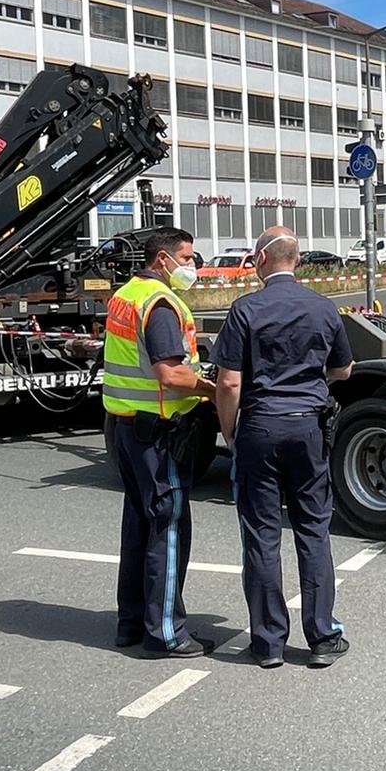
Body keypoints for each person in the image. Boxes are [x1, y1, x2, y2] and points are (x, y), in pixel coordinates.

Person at [212, 227, 354, 670]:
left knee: (262, 535)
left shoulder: (244, 309)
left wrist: (231, 432)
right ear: (298, 261)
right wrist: (309, 382)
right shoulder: (323, 307)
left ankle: (269, 642)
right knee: (313, 530)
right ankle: (323, 637)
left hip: (259, 426)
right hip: (307, 427)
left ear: (259, 259)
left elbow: (229, 382)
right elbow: (344, 369)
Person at [103, 227, 217, 658]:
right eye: (187, 258)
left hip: (126, 427)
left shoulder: (126, 293)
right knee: (167, 528)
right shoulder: (161, 304)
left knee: (138, 526)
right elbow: (171, 374)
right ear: (163, 260)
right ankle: (166, 632)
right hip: (159, 432)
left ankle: (130, 622)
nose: (192, 266)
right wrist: (212, 389)